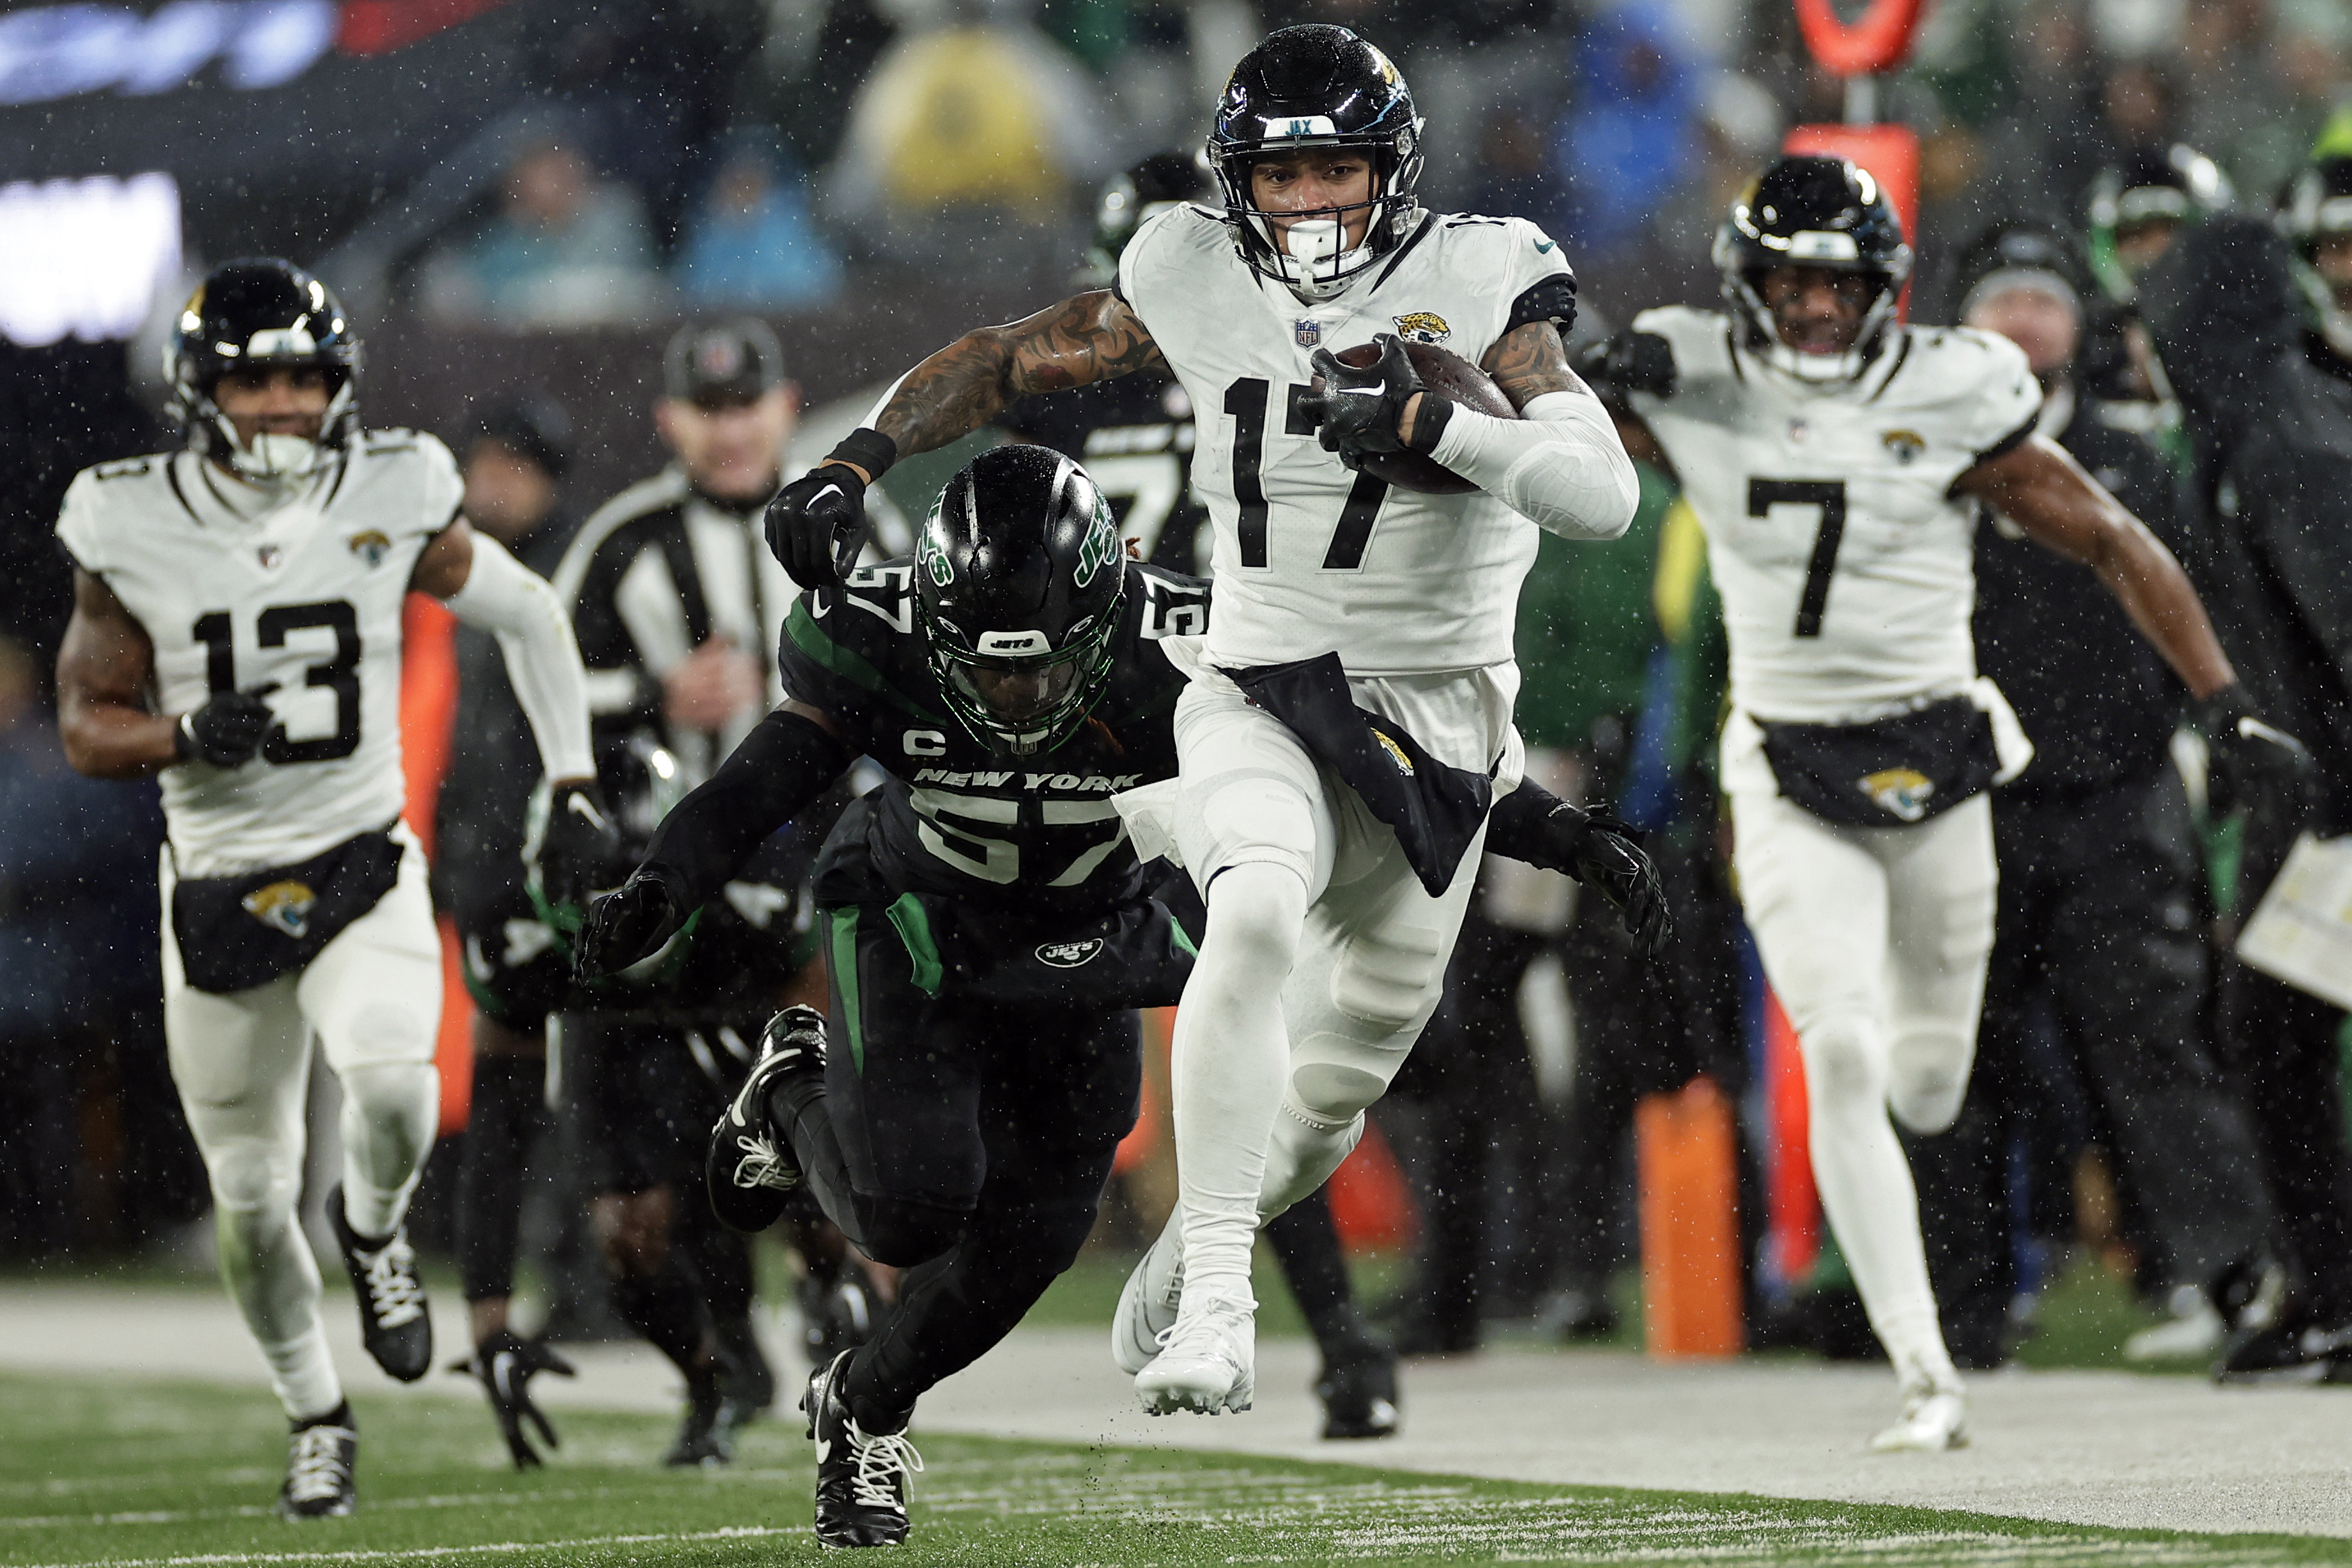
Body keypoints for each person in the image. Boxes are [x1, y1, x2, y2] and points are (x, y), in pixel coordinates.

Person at [760, 23, 1643, 1424]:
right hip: (1257, 681)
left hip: (1441, 722)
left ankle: (1189, 1256)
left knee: (1341, 1078)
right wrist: (854, 457)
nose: (1306, 206)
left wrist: (1440, 428)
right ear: (1237, 183)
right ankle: (1225, 1309)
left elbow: (1600, 497)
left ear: (1392, 171)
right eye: (1279, 179)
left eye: (1336, 172)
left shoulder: (1481, 275)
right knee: (1247, 918)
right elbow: (1003, 362)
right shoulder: (1184, 264)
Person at [575, 443, 1666, 1547]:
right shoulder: (868, 632)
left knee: (1031, 1243)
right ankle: (788, 1091)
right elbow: (769, 773)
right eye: (991, 668)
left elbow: (1382, 761)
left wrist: (1561, 833)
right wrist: (667, 876)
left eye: (1041, 666)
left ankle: (863, 1407)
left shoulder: (1189, 648)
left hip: (1090, 943)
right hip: (916, 921)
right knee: (907, 1212)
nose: (1017, 694)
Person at [1576, 155, 2305, 1448]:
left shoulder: (1947, 391)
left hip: (1951, 762)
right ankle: (1926, 1366)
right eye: (1789, 283)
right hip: (1789, 761)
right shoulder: (1682, 377)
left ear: (1887, 294)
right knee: (1844, 1049)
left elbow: (2108, 539)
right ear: (1745, 285)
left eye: (1837, 286)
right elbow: (1519, 440)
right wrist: (1515, 367)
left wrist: (2219, 699)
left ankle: (2146, 1274)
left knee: (1931, 1077)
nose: (1811, 310)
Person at [51, 258, 606, 1516]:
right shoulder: (127, 517)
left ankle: (374, 1231)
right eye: (258, 382)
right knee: (247, 1199)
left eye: (307, 378)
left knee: (396, 1092)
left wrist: (570, 778)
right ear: (203, 392)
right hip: (217, 882)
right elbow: (90, 721)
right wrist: (183, 739)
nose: (289, 404)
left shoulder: (394, 482)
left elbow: (529, 616)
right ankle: (316, 1408)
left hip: (359, 856)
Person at [996, 148, 1400, 1438]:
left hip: (1214, 717)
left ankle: (1316, 1332)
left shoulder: (1288, 364)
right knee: (1225, 1022)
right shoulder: (1162, 382)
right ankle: (1320, 1338)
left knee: (1245, 1024)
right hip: (1136, 718)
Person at [1911, 224, 2270, 1366]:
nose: (2021, 318)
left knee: (2157, 1048)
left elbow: (2205, 609)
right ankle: (1965, 1314)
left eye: (2041, 298)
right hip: (1966, 802)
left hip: (2118, 799)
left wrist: (2203, 737)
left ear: (2081, 326)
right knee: (1958, 1061)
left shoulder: (2136, 458)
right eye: (1998, 297)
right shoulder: (1909, 457)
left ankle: (2227, 1282)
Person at [535, 319, 861, 1466]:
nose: (730, 427)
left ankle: (840, 1336)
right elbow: (545, 701)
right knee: (635, 1216)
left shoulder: (851, 532)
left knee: (819, 1147)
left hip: (809, 867)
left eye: (748, 404)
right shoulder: (623, 545)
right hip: (652, 885)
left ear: (786, 407)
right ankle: (714, 1373)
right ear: (671, 420)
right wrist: (650, 694)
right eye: (707, 408)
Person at [2138, 197, 2352, 1380]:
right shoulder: (2261, 420)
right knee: (2266, 1037)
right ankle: (2324, 1290)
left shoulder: (2281, 437)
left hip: (2333, 801)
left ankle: (2329, 1291)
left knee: (2268, 1037)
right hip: (2306, 795)